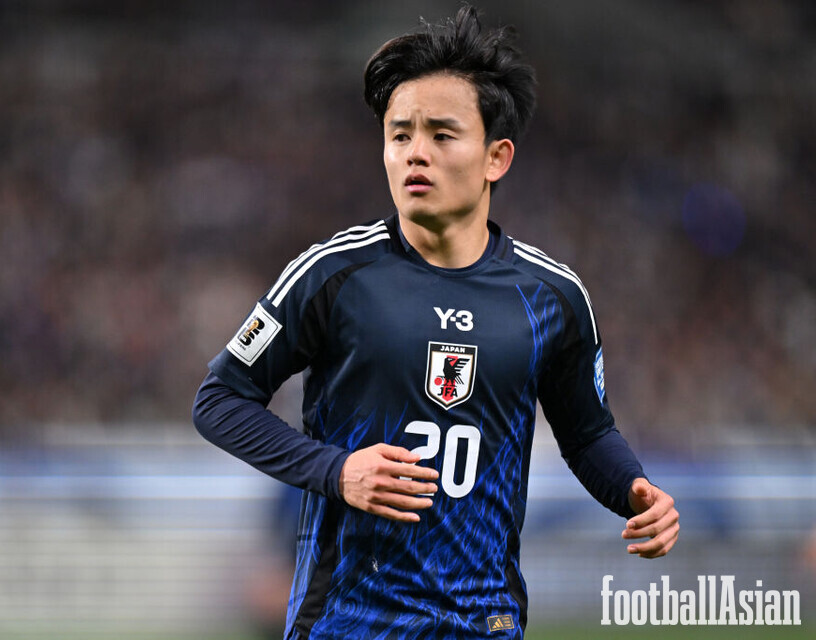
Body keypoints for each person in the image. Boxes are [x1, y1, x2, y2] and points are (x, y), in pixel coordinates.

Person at [193, 6, 679, 638]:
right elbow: (221, 399)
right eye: (400, 135)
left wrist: (635, 489)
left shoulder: (552, 297)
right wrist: (337, 471)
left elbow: (587, 435)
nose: (415, 153)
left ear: (496, 158)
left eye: (442, 135)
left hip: (487, 623)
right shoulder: (333, 275)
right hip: (348, 622)